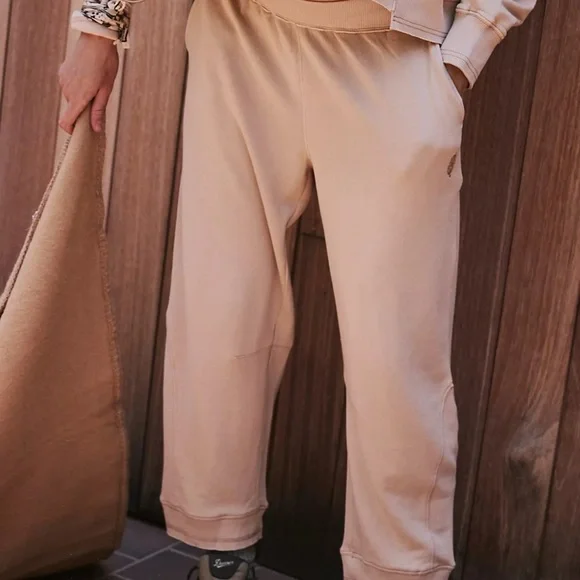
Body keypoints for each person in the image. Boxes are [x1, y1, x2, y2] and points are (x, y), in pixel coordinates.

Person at [59, 0, 537, 578]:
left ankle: (399, 570)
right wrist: (98, 28)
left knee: (395, 358)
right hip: (240, 32)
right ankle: (222, 551)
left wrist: (466, 52)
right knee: (218, 310)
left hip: (394, 52)